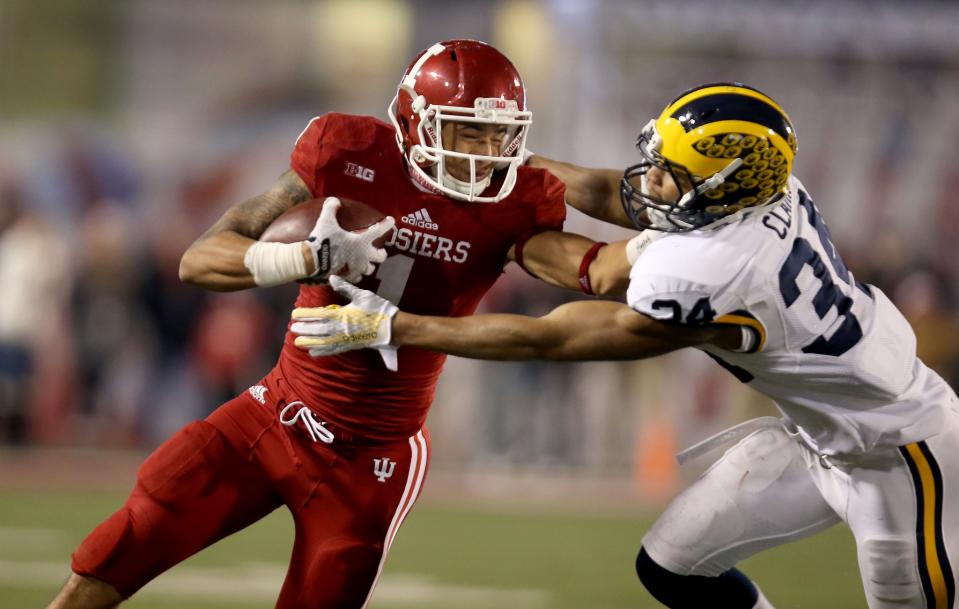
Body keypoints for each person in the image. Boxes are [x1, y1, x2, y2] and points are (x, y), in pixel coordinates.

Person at [292, 82, 959, 609]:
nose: (651, 180)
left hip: (902, 454)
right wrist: (492, 164)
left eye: (669, 174)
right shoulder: (766, 185)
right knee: (671, 566)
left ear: (722, 185)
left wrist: (396, 325)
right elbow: (618, 193)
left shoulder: (718, 270)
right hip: (818, 437)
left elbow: (551, 337)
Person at [47, 39, 630, 609]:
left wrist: (662, 254)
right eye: (466, 131)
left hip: (373, 456)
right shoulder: (344, 151)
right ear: (414, 121)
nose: (483, 152)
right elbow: (199, 260)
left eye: (498, 134)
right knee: (126, 540)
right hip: (276, 412)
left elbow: (599, 273)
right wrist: (307, 258)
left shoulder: (517, 202)